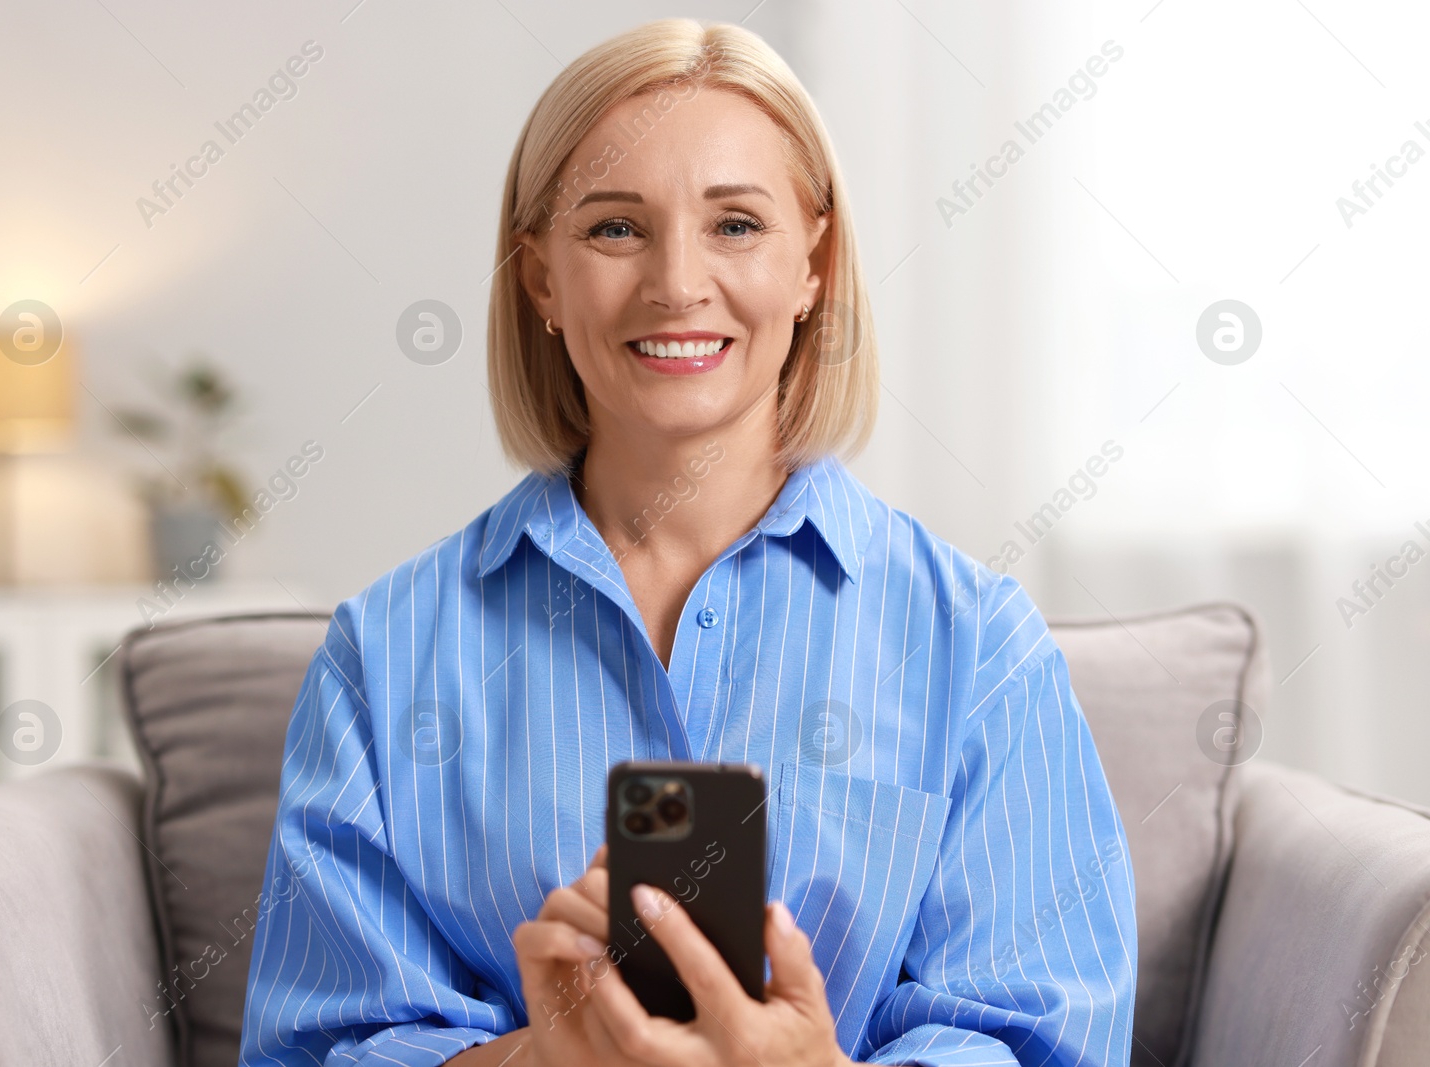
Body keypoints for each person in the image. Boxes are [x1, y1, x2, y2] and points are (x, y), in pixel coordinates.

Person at [239, 18, 1136, 1067]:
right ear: (539, 281)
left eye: (736, 225)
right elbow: (317, 1045)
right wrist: (542, 1059)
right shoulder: (383, 654)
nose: (676, 283)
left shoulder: (977, 643)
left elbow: (1041, 1038)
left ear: (815, 264)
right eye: (615, 229)